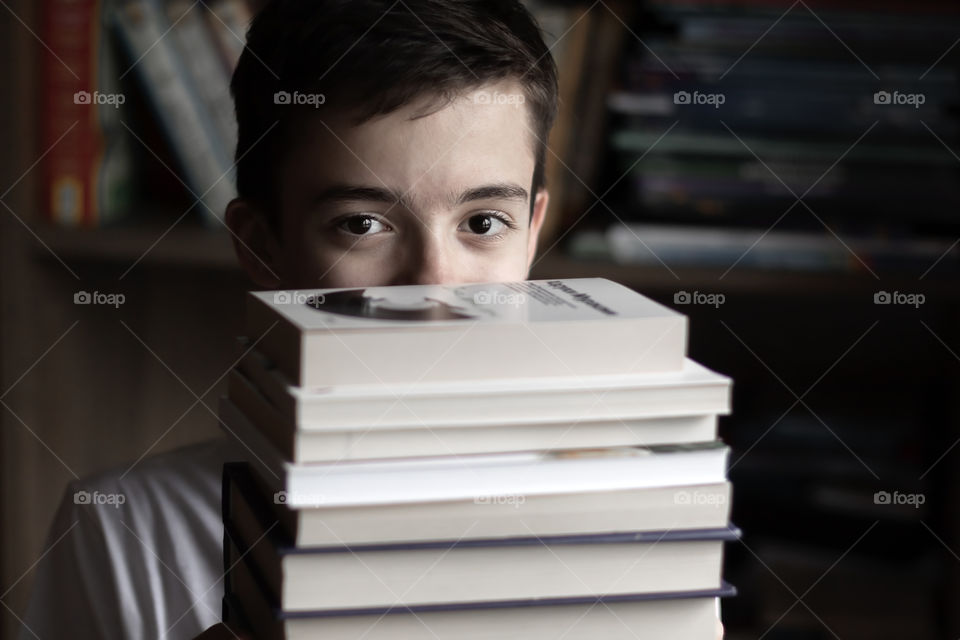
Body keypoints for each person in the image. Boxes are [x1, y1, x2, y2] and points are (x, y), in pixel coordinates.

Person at [22, 1, 724, 637]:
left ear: (533, 233)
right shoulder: (122, 532)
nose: (433, 286)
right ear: (264, 245)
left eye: (483, 221)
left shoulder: (635, 518)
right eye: (361, 224)